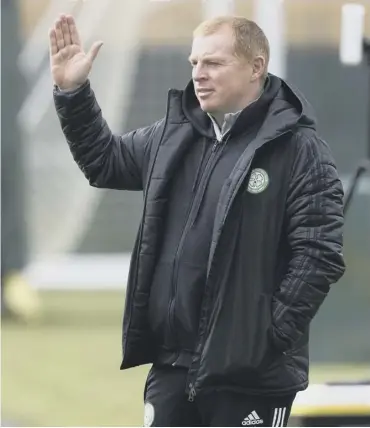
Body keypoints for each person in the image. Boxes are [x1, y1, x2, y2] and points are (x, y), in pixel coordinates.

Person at [49, 14, 346, 427]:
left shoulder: (299, 150)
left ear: (256, 67)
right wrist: (72, 90)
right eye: (194, 63)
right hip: (173, 367)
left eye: (213, 64)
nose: (199, 75)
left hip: (252, 375)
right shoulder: (172, 136)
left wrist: (267, 335)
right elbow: (105, 161)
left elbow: (319, 254)